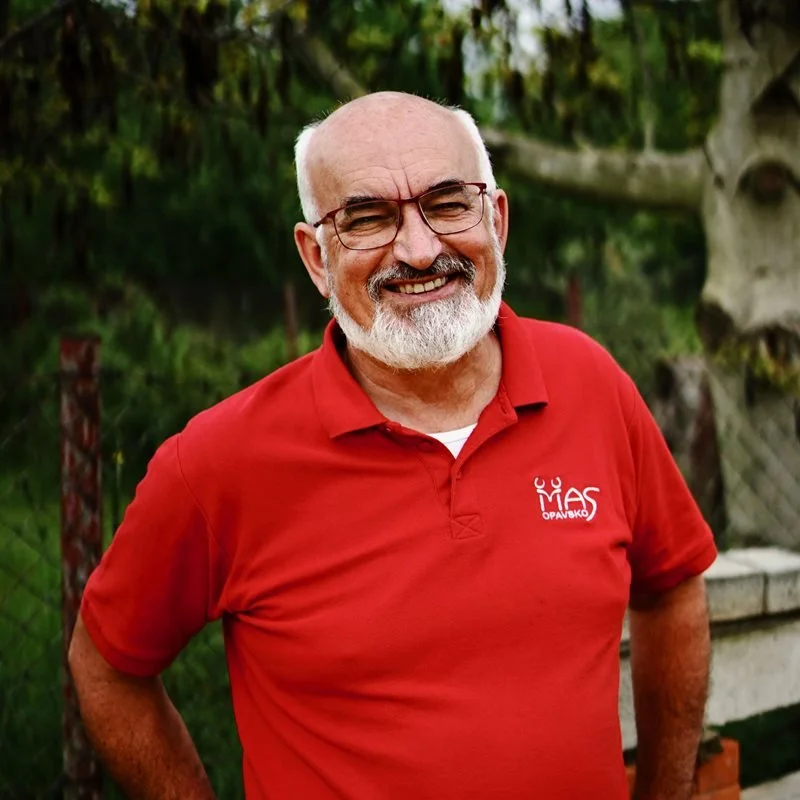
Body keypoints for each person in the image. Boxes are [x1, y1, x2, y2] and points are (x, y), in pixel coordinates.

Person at [69, 91, 717, 800]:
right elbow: (106, 668)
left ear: (497, 220)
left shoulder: (591, 385)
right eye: (368, 218)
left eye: (448, 203)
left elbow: (671, 590)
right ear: (316, 257)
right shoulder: (221, 461)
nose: (419, 249)